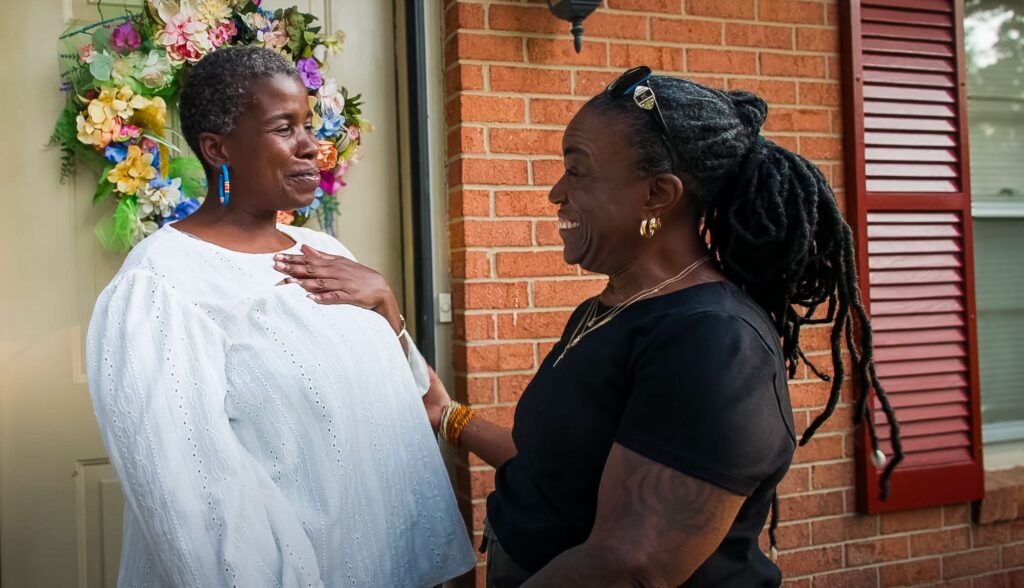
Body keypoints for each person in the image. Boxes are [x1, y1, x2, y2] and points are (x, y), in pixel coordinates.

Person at [281, 66, 903, 587]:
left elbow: (630, 564)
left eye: (576, 170)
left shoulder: (713, 340)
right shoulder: (608, 310)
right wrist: (448, 412)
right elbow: (558, 460)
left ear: (658, 194)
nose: (555, 192)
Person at [86, 46, 475, 587]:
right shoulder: (163, 284)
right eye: (284, 127)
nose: (312, 146)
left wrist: (386, 301)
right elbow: (195, 502)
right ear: (218, 148)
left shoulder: (318, 247)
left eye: (309, 125)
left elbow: (401, 400)